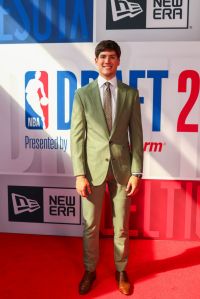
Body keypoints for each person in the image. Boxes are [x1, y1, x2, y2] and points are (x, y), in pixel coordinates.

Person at [70, 40, 143, 295]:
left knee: (121, 224)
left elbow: (137, 135)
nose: (107, 61)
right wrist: (79, 174)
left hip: (122, 170)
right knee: (90, 224)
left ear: (118, 61)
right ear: (96, 60)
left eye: (112, 57)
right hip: (91, 171)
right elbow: (77, 137)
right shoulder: (83, 94)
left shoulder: (130, 94)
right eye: (102, 56)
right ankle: (90, 270)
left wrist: (136, 172)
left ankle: (121, 269)